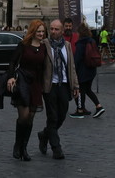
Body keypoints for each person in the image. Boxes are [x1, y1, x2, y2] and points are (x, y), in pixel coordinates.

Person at [5, 20, 47, 161]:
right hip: (23, 82)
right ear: (33, 32)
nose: (41, 34)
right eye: (38, 31)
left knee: (30, 118)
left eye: (42, 31)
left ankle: (24, 148)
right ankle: (17, 144)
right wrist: (11, 77)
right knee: (23, 116)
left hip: (36, 85)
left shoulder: (44, 47)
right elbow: (12, 62)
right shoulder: (23, 45)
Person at [37, 19, 78, 160]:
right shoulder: (44, 45)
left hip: (64, 85)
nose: (53, 31)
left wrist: (75, 85)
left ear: (61, 31)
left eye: (56, 29)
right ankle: (56, 148)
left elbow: (71, 67)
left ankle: (44, 135)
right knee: (53, 117)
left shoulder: (66, 46)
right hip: (50, 85)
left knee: (61, 116)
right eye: (52, 29)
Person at [70, 23, 105, 119]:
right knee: (87, 90)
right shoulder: (92, 41)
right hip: (91, 70)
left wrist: (73, 71)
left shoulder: (81, 43)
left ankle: (81, 110)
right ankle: (91, 108)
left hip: (83, 71)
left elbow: (77, 59)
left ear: (80, 33)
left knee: (80, 90)